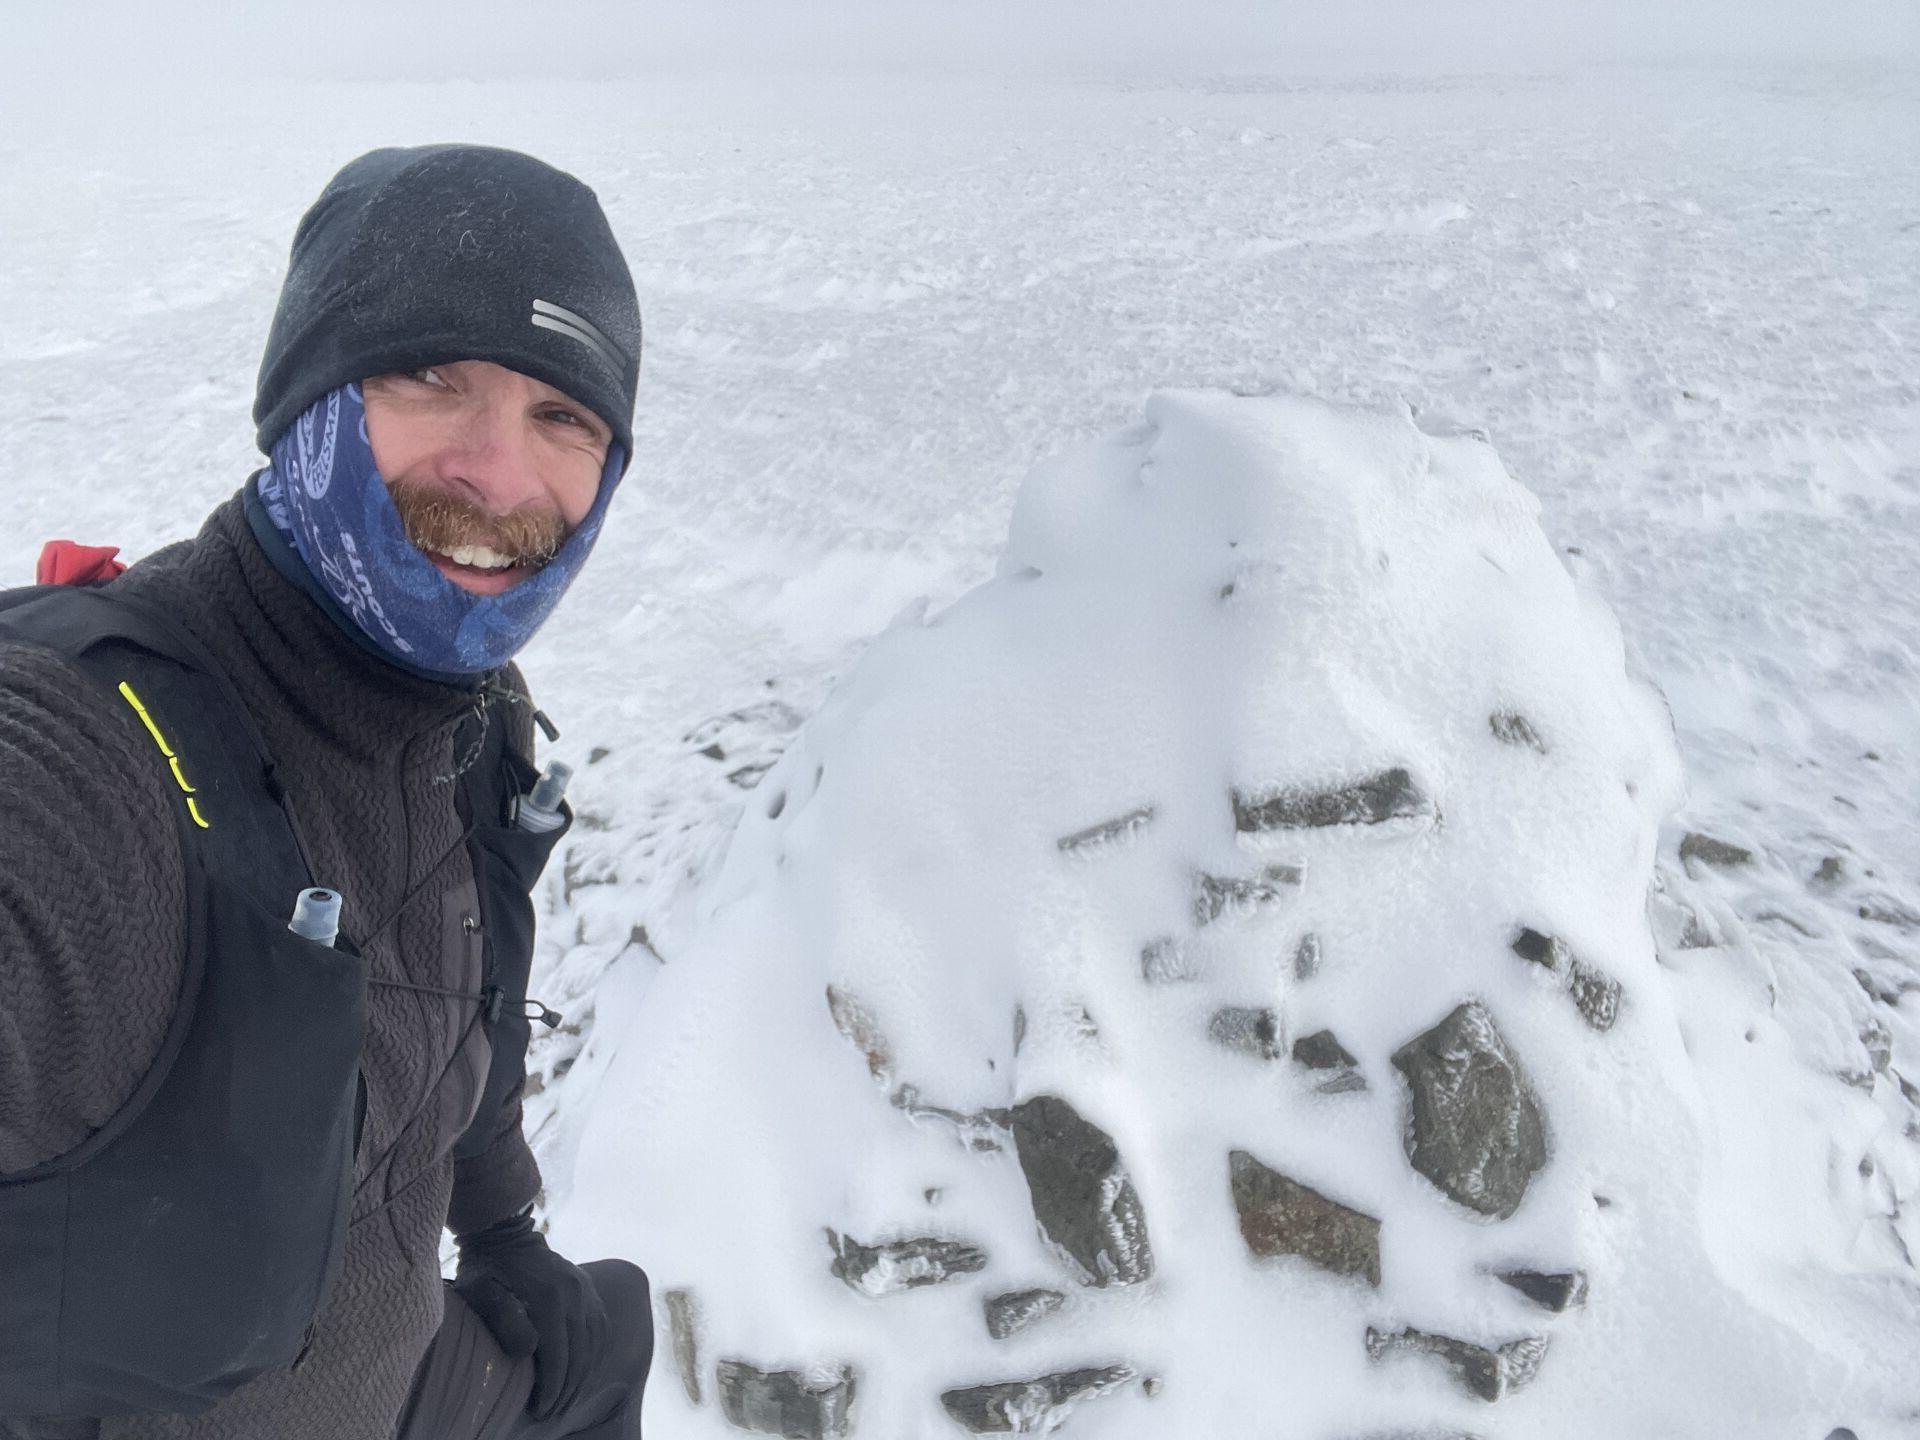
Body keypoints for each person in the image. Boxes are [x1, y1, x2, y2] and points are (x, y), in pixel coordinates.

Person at [0, 145, 652, 1440]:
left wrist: (503, 1221)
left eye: (562, 416)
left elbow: (470, 991)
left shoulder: (481, 725)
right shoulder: (89, 758)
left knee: (606, 1340)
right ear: (306, 397)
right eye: (431, 376)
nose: (499, 471)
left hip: (405, 1375)